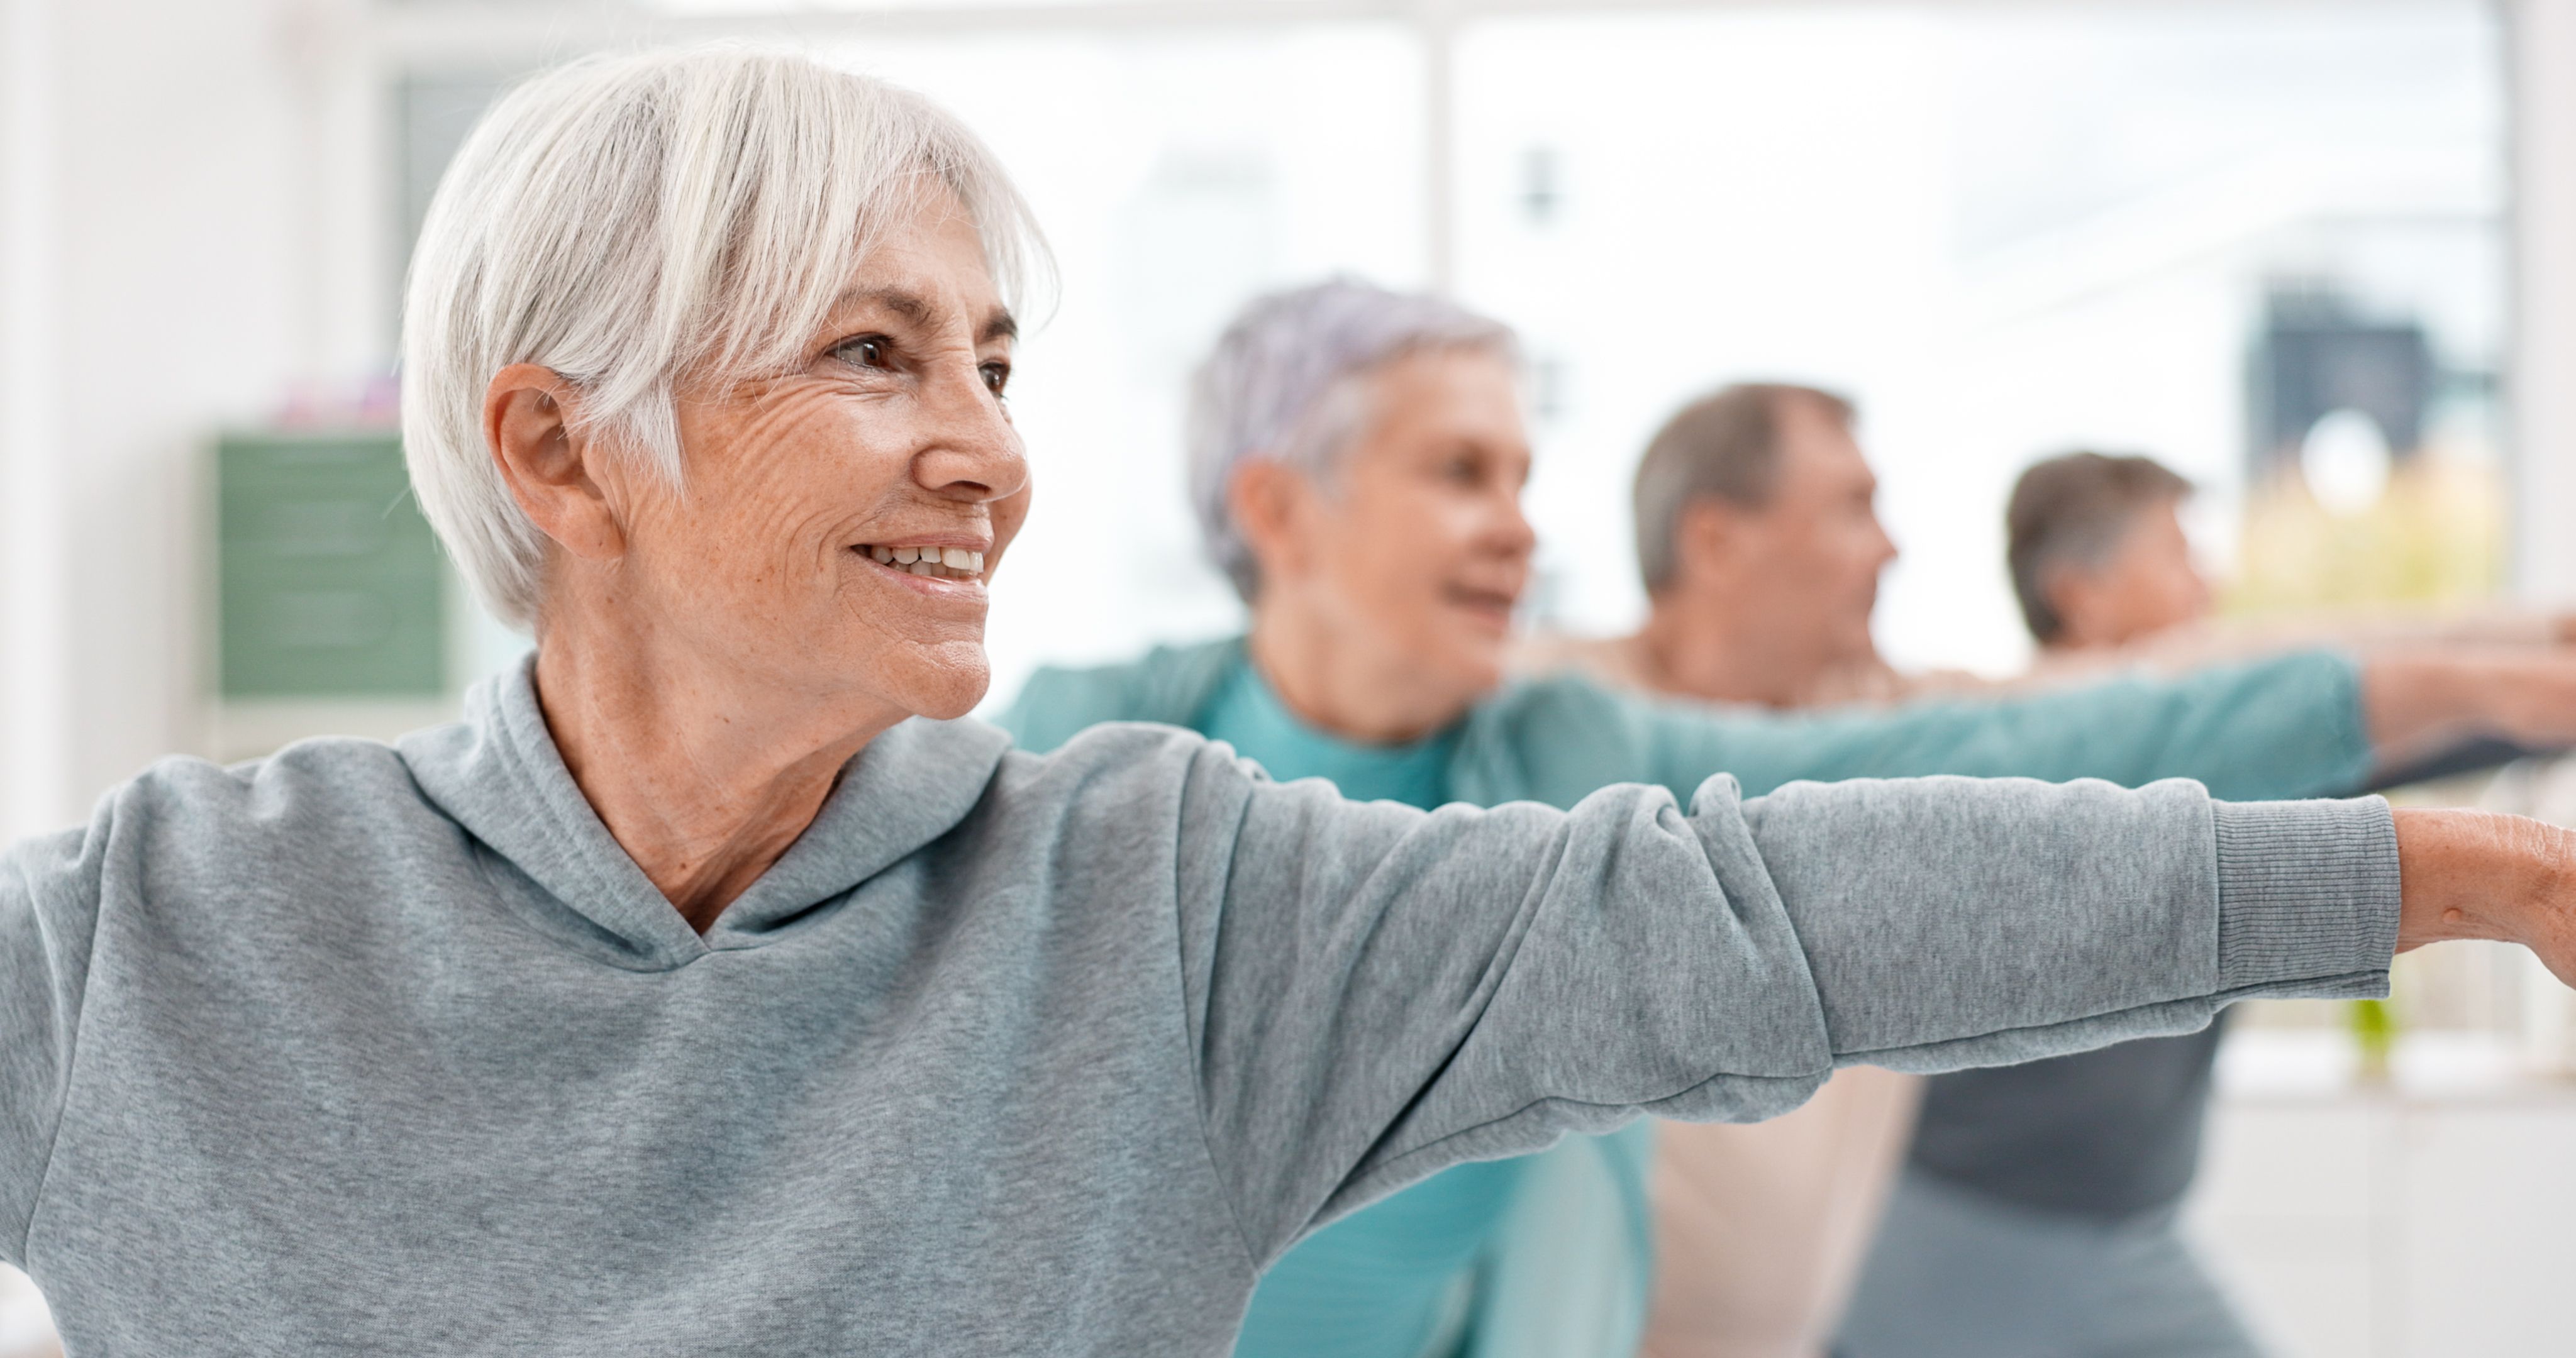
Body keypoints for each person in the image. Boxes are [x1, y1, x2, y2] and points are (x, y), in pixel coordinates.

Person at [3, 53, 2568, 1357]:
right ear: (556, 444)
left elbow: (1793, 891)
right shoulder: (155, 941)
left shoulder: (1154, 890)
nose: (986, 449)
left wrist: (2432, 862)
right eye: (872, 355)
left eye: (996, 358)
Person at [997, 284, 2576, 1358]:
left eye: (1524, 473)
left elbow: (2087, 727)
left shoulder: (1572, 745)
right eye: (1459, 473)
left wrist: (2477, 723)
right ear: (1276, 508)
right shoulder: (1081, 749)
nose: (1518, 527)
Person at [1829, 451, 2267, 1358]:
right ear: (2081, 592)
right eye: (2177, 555)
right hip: (1969, 1227)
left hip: (2123, 1231)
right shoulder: (2011, 751)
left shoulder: (2218, 750)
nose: (2207, 585)